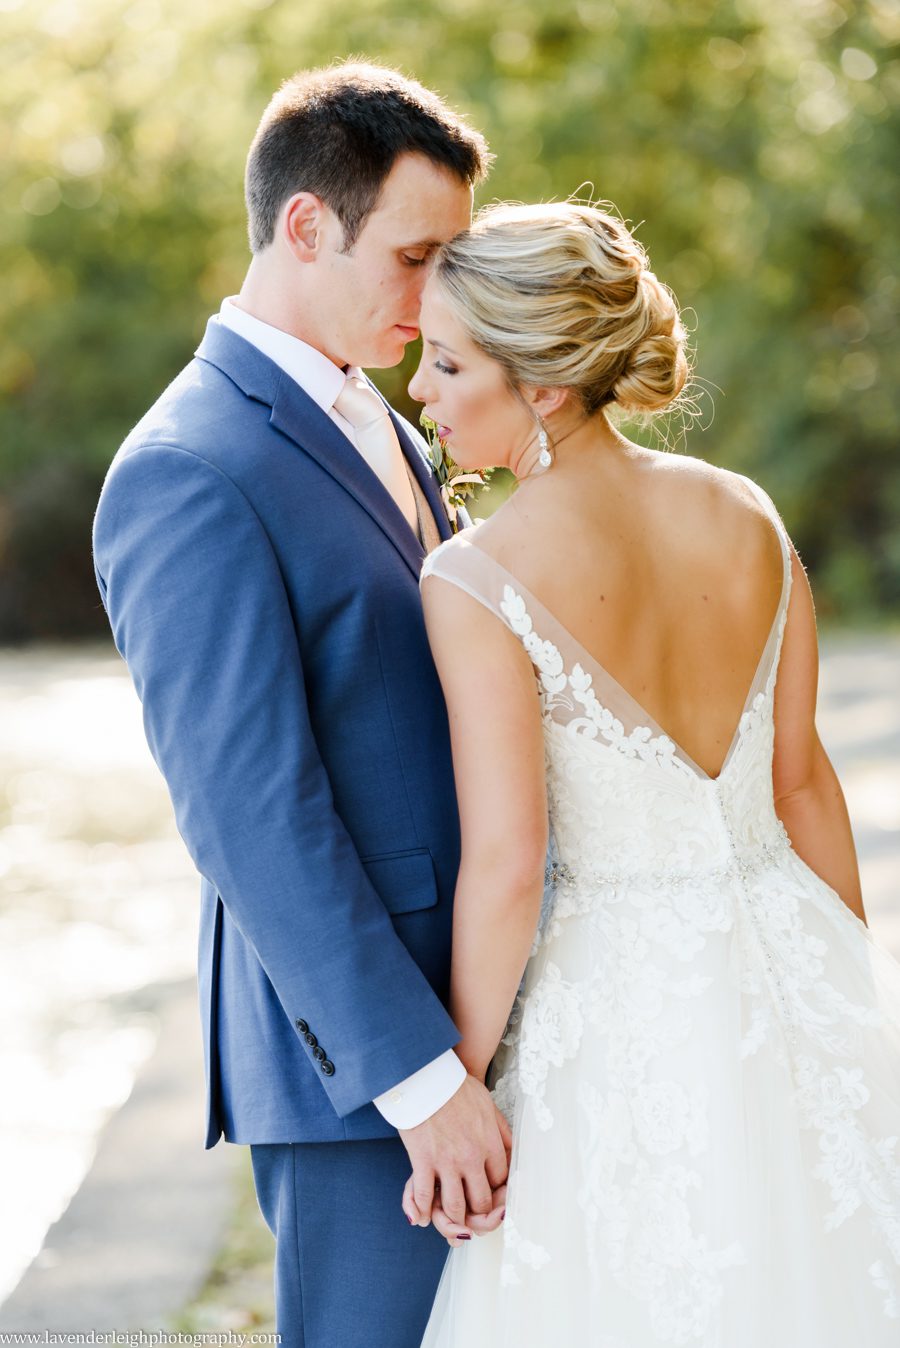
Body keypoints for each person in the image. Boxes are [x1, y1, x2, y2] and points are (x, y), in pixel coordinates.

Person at [403, 200, 900, 1346]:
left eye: (446, 361)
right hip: (793, 961)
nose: (420, 392)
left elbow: (508, 866)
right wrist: (847, 992)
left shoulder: (475, 577)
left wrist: (455, 1087)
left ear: (542, 385)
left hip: (617, 1012)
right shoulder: (748, 512)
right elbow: (804, 785)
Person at [91, 63, 510, 1348]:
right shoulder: (185, 468)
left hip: (480, 1001)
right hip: (364, 1075)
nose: (438, 293)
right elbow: (250, 811)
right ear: (309, 226)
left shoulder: (387, 418)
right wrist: (416, 1074)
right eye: (415, 254)